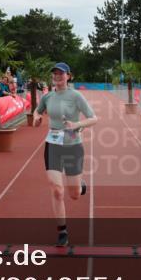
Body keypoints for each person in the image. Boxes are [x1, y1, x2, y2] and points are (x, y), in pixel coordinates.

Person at [33, 62, 98, 246]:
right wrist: (37, 119)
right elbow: (37, 112)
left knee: (74, 194)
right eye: (54, 73)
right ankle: (62, 231)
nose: (57, 76)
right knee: (56, 190)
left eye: (61, 73)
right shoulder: (47, 97)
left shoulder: (76, 96)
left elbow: (94, 118)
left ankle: (80, 186)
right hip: (52, 144)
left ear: (69, 76)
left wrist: (76, 125)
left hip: (72, 145)